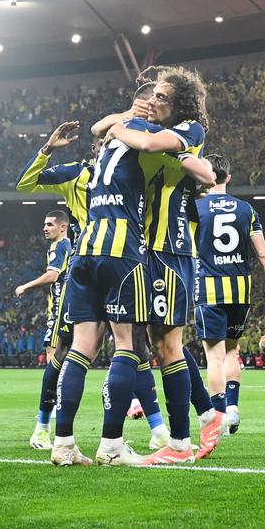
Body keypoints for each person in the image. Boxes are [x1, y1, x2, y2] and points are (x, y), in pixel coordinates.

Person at [17, 118, 169, 450]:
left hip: (112, 259)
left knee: (133, 345)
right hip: (92, 262)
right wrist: (46, 149)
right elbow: (25, 183)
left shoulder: (135, 166)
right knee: (68, 350)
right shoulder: (77, 173)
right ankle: (43, 426)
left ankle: (157, 428)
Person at [92, 69, 216, 465]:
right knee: (161, 346)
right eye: (153, 95)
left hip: (170, 248)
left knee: (168, 345)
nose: (154, 101)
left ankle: (180, 442)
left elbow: (144, 143)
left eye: (162, 96)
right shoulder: (147, 122)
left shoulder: (190, 129)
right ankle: (201, 421)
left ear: (179, 102)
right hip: (146, 249)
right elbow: (99, 127)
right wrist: (127, 113)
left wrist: (123, 127)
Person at [192, 154, 265, 443]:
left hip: (209, 287)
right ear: (228, 178)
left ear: (203, 176)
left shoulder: (195, 208)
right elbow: (263, 253)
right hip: (240, 289)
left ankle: (218, 418)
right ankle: (232, 408)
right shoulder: (246, 209)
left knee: (214, 356)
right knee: (232, 351)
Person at [14, 210, 73, 449]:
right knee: (61, 367)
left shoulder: (59, 246)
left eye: (50, 224)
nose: (45, 228)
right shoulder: (69, 244)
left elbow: (52, 275)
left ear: (62, 227)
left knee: (54, 364)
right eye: (44, 224)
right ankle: (55, 419)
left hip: (60, 311)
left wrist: (25, 286)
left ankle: (42, 429)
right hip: (68, 309)